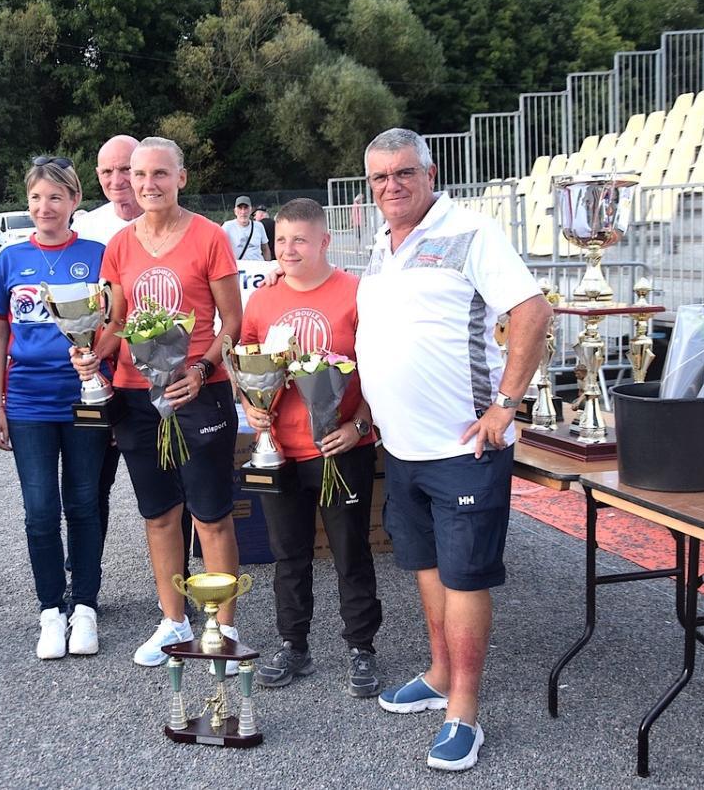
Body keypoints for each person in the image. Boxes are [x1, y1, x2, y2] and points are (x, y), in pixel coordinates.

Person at [355, 129, 551, 771]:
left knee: (464, 578)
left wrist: (507, 403)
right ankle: (439, 673)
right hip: (404, 448)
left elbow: (531, 310)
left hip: (464, 445)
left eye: (404, 173)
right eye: (380, 177)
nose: (392, 186)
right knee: (428, 568)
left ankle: (463, 708)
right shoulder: (380, 245)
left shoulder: (470, 232)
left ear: (430, 173)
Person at [75, 137, 244, 669]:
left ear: (181, 178)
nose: (147, 184)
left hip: (197, 391)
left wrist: (199, 370)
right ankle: (173, 620)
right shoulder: (119, 245)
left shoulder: (211, 237)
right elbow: (116, 323)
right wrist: (91, 354)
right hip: (133, 393)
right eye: (138, 175)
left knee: (211, 515)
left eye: (159, 174)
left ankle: (222, 626)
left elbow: (232, 324)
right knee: (158, 514)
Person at [236, 198, 383, 698]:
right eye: (280, 240)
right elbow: (247, 366)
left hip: (340, 450)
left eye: (300, 240)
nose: (289, 249)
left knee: (350, 552)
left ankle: (362, 648)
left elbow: (382, 375)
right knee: (288, 555)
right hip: (280, 450)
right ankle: (293, 644)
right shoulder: (261, 300)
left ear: (325, 242)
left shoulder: (357, 295)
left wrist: (360, 426)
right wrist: (251, 408)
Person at [0, 157, 110, 660]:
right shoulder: (11, 259)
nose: (45, 207)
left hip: (83, 399)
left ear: (74, 202)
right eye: (37, 198)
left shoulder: (99, 254)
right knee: (40, 510)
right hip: (28, 402)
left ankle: (85, 607)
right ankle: (50, 610)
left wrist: (102, 369)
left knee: (83, 504)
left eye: (56, 197)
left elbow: (115, 321)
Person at [73, 134, 196, 576]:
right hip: (108, 383)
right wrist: (94, 372)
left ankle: (180, 584)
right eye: (107, 171)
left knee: (175, 488)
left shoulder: (182, 227)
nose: (119, 179)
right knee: (93, 489)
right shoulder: (87, 229)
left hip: (167, 383)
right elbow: (104, 319)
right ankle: (86, 586)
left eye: (127, 168)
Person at [222, 196, 270, 261]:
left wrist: (267, 265)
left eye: (246, 208)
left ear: (251, 210)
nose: (243, 212)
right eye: (240, 208)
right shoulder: (227, 226)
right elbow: (219, 247)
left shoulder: (259, 226)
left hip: (258, 266)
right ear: (235, 211)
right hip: (238, 267)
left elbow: (265, 248)